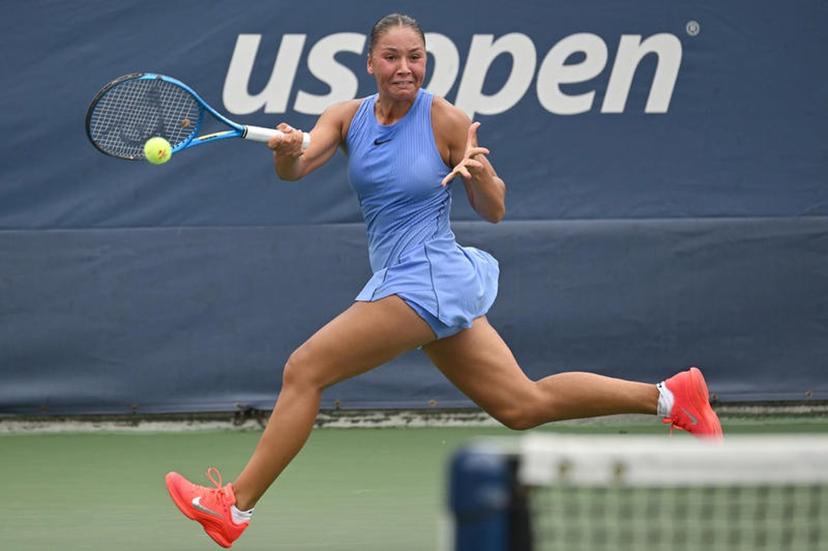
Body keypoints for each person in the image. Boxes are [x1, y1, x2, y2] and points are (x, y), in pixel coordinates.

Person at [164, 13, 723, 548]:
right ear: (370, 64)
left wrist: (482, 176)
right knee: (521, 405)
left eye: (416, 57)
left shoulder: (445, 119)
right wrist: (286, 152)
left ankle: (233, 507)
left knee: (304, 369)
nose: (404, 67)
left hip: (426, 275)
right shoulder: (346, 116)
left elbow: (495, 209)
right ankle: (674, 397)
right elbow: (297, 168)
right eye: (392, 57)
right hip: (412, 279)